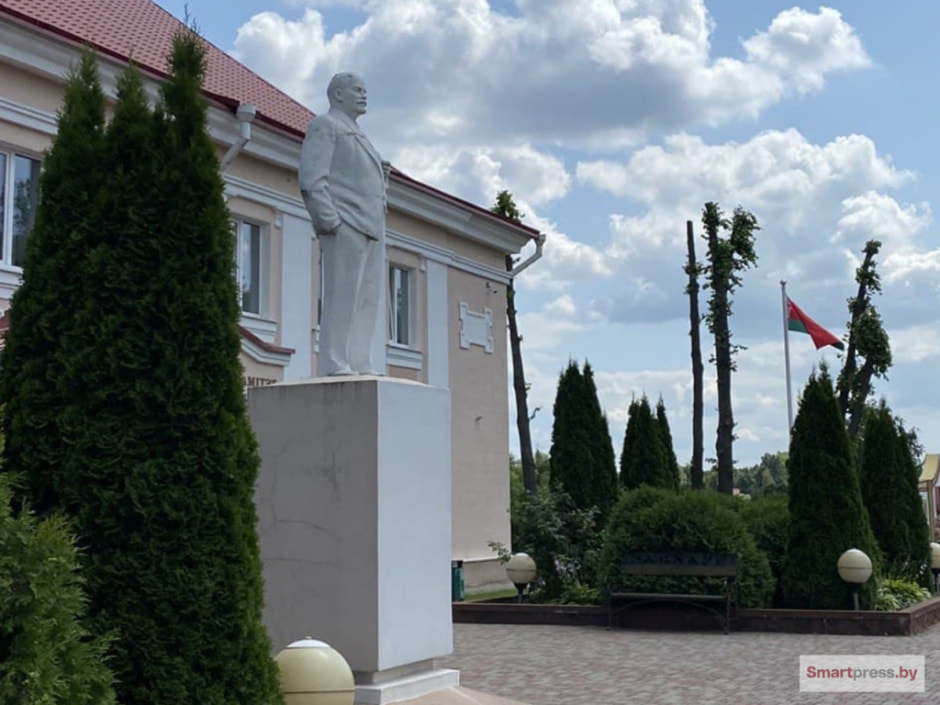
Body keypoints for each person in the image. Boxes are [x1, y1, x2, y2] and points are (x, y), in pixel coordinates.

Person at [299, 72, 391, 376]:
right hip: (347, 223)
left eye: (365, 90)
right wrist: (331, 223)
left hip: (372, 227)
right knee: (343, 297)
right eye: (357, 90)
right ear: (337, 95)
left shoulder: (360, 134)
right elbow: (312, 179)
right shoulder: (326, 126)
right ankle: (336, 362)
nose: (364, 96)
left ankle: (359, 360)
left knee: (368, 299)